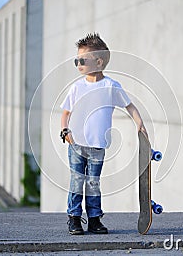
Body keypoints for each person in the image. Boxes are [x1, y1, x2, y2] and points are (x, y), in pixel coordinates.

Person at [60, 33, 147, 235]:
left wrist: (139, 123)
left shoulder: (111, 87)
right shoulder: (77, 87)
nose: (78, 63)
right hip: (76, 144)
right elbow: (65, 112)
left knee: (93, 183)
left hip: (98, 145)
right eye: (77, 60)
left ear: (99, 61)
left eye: (83, 60)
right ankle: (74, 218)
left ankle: (94, 219)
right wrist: (65, 130)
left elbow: (129, 106)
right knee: (76, 181)